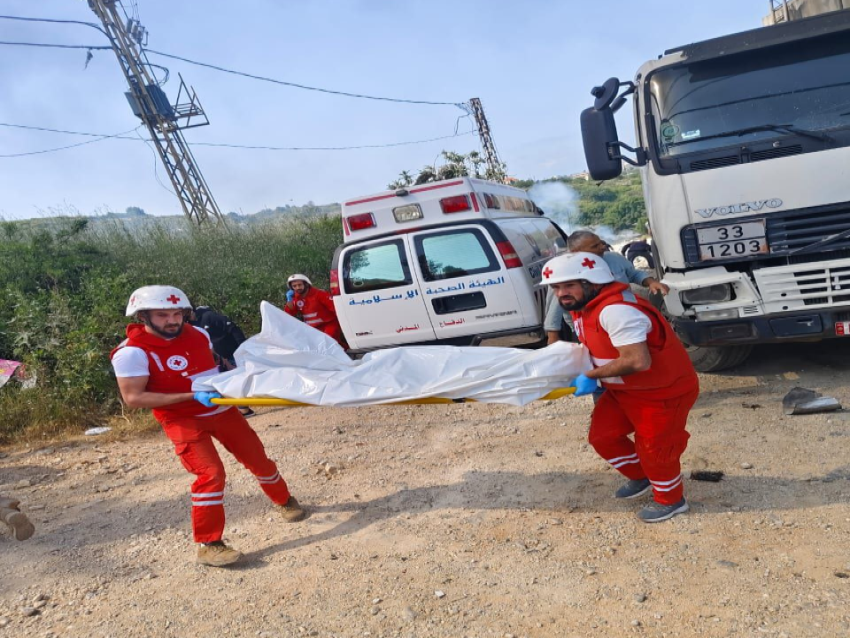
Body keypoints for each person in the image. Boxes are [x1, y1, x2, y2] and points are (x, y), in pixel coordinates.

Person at [111, 285, 305, 567]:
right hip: (180, 419)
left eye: (177, 313)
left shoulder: (199, 334)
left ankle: (285, 500)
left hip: (221, 410)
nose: (172, 320)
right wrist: (191, 396)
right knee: (211, 474)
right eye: (163, 315)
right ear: (144, 316)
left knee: (258, 460)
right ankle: (209, 544)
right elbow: (133, 397)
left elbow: (212, 369)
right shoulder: (131, 353)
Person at [543, 252, 699, 523]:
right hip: (624, 389)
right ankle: (643, 476)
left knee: (656, 448)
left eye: (569, 285)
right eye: (556, 287)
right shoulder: (585, 307)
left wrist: (590, 376)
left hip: (661, 391)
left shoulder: (616, 311)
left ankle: (671, 500)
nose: (561, 294)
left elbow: (637, 360)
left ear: (593, 281)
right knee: (603, 436)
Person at [544, 230, 669, 346]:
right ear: (576, 251)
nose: (603, 247)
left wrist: (651, 282)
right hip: (591, 328)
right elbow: (556, 309)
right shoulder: (566, 272)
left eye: (601, 243)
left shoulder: (614, 258)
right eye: (595, 246)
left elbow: (633, 274)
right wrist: (553, 337)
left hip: (627, 318)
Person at [189, 306, 254, 417]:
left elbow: (233, 328)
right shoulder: (190, 326)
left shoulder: (208, 316)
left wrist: (243, 347)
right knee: (231, 382)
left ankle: (244, 409)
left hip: (234, 352)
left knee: (239, 380)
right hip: (220, 358)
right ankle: (243, 408)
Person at [284, 274, 346, 346]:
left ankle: (347, 353)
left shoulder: (319, 294)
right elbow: (288, 313)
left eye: (299, 285)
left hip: (329, 324)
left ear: (306, 284)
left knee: (329, 343)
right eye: (294, 286)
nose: (297, 288)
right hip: (313, 328)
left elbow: (335, 308)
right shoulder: (295, 298)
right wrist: (289, 300)